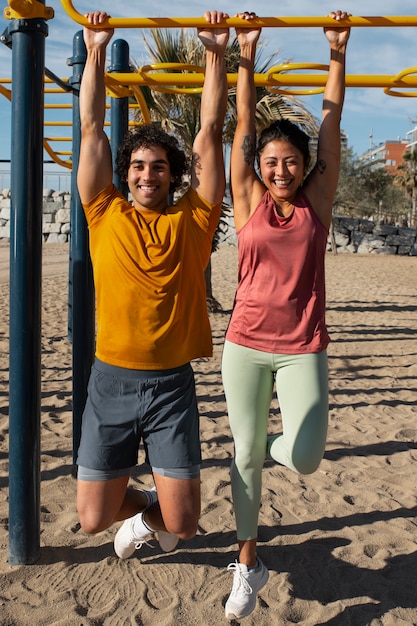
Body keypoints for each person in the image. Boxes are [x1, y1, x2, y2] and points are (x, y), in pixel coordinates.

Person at [75, 10, 229, 559]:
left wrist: (214, 54)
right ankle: (138, 502)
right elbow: (91, 127)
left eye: (159, 167)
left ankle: (156, 509)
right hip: (110, 380)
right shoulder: (102, 210)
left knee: (183, 524)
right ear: (126, 172)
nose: (147, 174)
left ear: (173, 174)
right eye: (138, 166)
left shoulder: (194, 219)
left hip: (170, 385)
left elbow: (210, 134)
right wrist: (95, 50)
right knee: (92, 519)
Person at [221, 10, 351, 620]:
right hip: (245, 343)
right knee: (243, 454)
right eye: (270, 161)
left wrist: (337, 54)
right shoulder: (246, 195)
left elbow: (330, 126)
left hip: (303, 344)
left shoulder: (317, 202)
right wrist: (245, 54)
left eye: (290, 161)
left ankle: (274, 446)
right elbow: (242, 124)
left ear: (304, 166)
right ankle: (248, 564)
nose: (279, 169)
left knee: (304, 456)